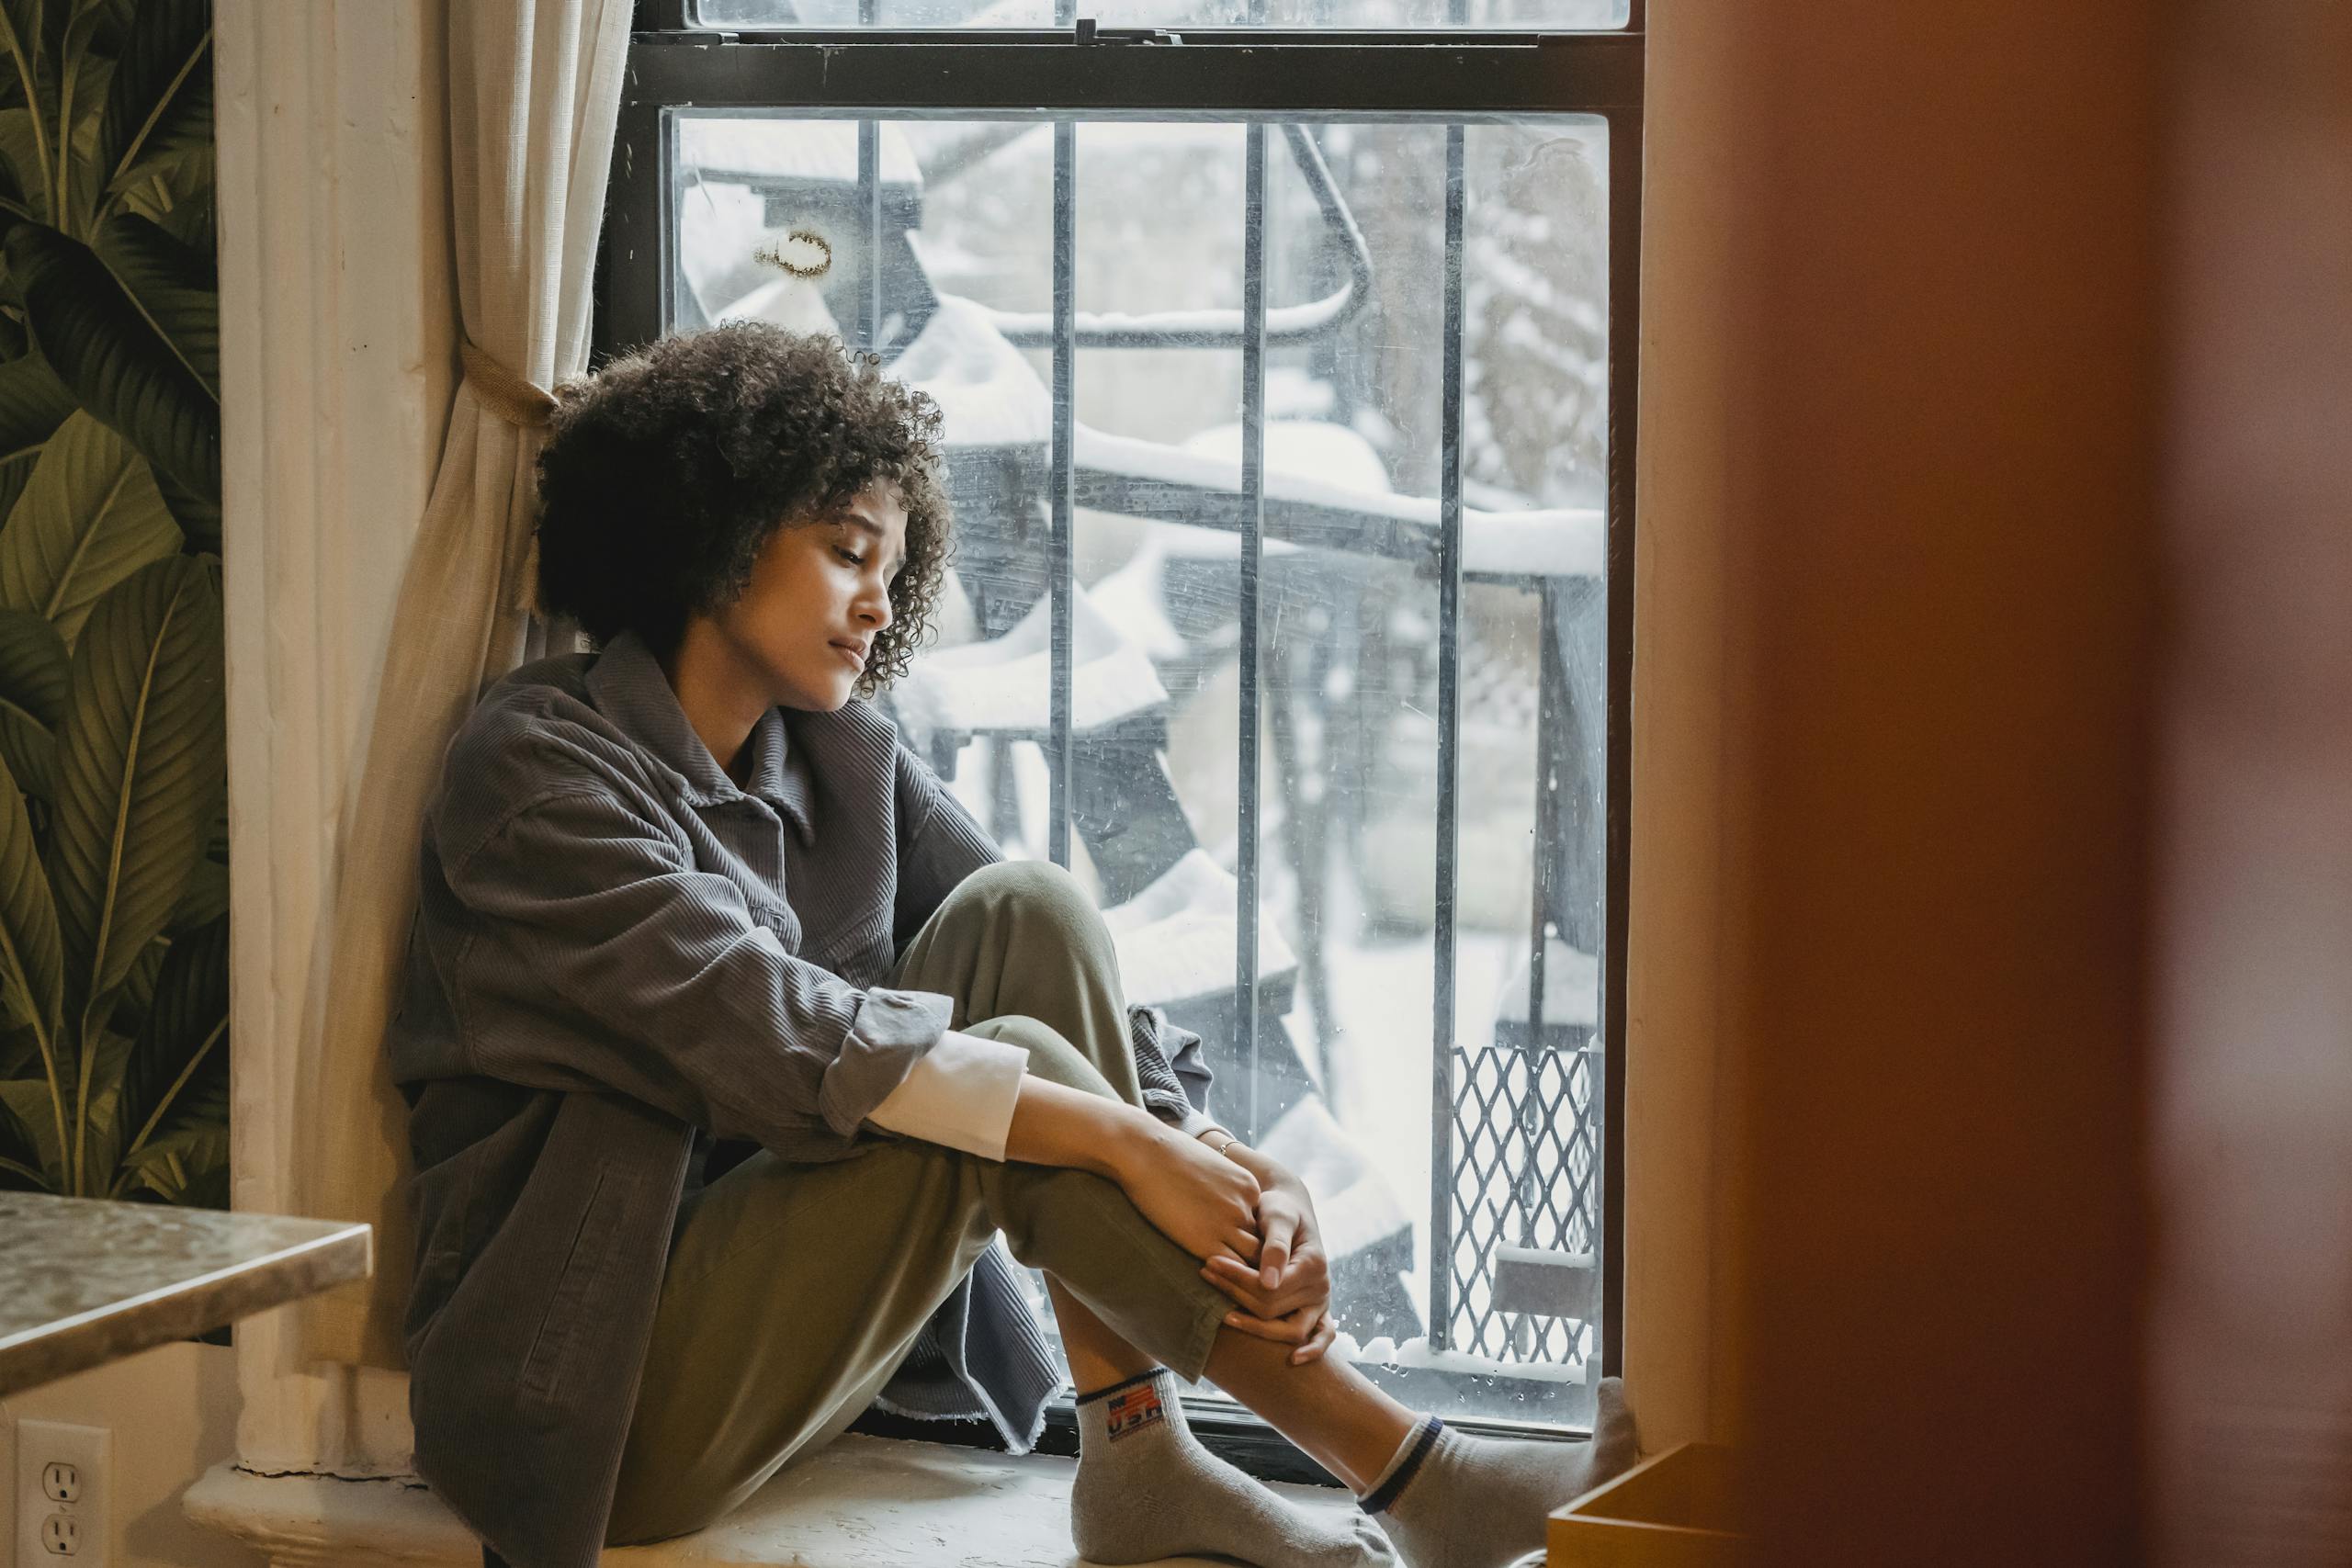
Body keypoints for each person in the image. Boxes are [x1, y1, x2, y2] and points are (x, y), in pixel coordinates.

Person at [388, 322, 1639, 1568]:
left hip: (790, 1344)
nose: (881, 602)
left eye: (894, 564)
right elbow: (775, 1030)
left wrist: (1216, 1155)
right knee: (995, 1081)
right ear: (710, 536)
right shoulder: (535, 772)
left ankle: (1143, 1456)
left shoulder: (844, 752)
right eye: (845, 553)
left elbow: (1030, 939)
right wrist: (1126, 1144)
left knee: (1029, 907)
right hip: (594, 1403)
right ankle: (1420, 1475)